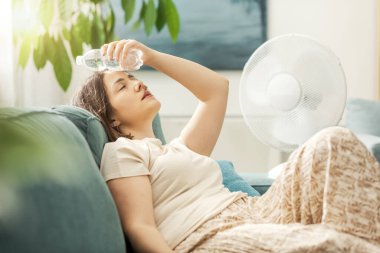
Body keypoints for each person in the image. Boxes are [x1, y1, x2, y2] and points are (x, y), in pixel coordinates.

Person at [72, 39, 380, 253]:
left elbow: (216, 90)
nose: (138, 82)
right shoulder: (123, 152)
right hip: (209, 235)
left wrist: (148, 55)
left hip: (256, 212)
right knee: (331, 243)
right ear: (110, 118)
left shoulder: (180, 149)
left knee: (331, 141)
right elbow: (140, 228)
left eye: (131, 76)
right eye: (122, 85)